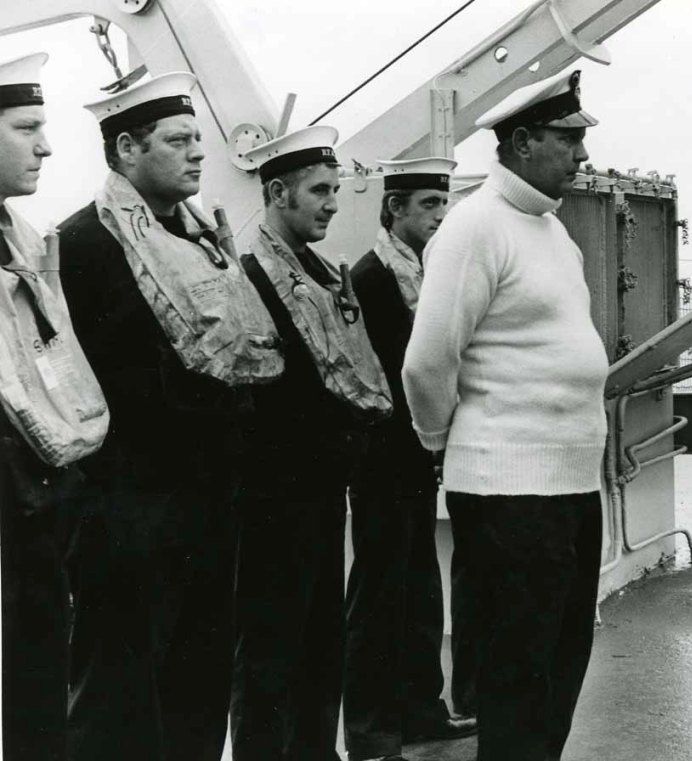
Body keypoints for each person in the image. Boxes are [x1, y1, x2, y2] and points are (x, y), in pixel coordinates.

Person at [58, 72, 283, 760]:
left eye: (197, 140)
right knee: (118, 698)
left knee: (198, 687)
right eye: (178, 140)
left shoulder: (203, 243)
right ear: (127, 148)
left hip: (208, 508)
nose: (197, 154)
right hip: (127, 518)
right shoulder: (84, 245)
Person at [402, 69, 608, 761]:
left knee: (560, 667)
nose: (582, 155)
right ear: (521, 142)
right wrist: (444, 442)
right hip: (510, 492)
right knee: (517, 678)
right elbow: (427, 362)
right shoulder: (474, 227)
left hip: (570, 488)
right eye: (568, 139)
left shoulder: (552, 230)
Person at [231, 125, 391, 760]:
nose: (332, 203)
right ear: (277, 192)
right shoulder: (249, 276)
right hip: (270, 501)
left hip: (321, 494)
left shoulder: (322, 276)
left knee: (321, 645)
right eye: (319, 191)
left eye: (336, 190)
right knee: (269, 654)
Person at [344, 156, 477, 761]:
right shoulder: (370, 278)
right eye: (427, 204)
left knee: (419, 589)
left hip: (417, 457)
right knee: (379, 592)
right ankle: (372, 729)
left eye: (443, 204)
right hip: (382, 459)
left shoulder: (425, 271)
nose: (439, 215)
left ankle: (421, 712)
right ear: (394, 208)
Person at [0, 52, 109, 761]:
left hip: (37, 496)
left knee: (39, 666)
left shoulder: (24, 240)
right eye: (25, 127)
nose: (44, 145)